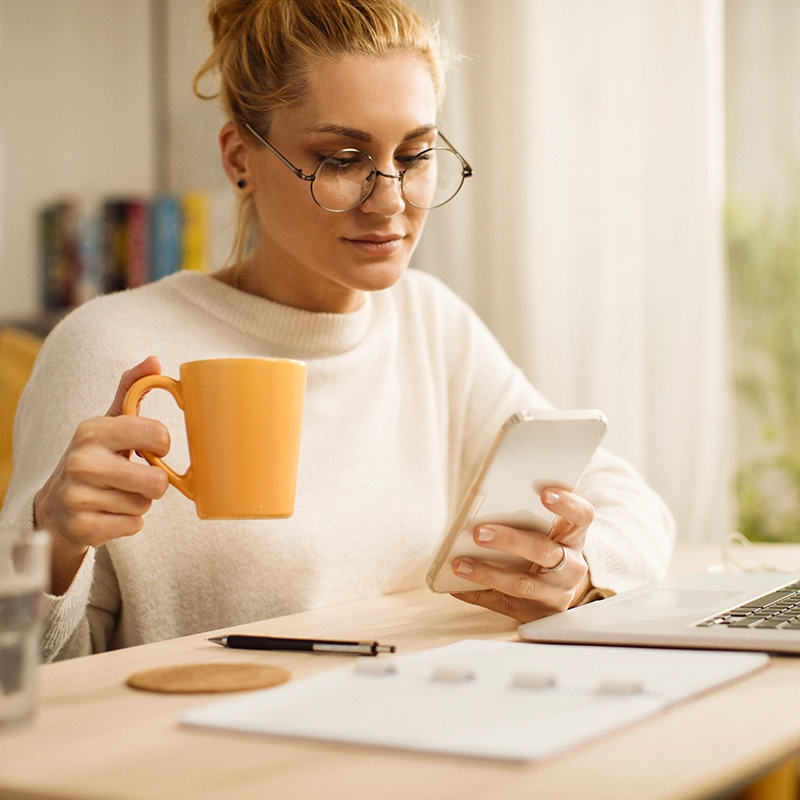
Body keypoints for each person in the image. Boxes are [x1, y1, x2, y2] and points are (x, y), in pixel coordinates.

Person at [0, 0, 674, 662]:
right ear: (240, 159)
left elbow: (636, 508)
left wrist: (581, 568)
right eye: (343, 158)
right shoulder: (113, 348)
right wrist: (52, 541)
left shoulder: (430, 323)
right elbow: (29, 669)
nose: (390, 202)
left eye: (414, 156)